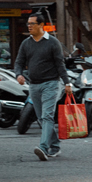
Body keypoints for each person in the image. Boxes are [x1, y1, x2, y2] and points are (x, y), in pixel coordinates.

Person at [15, 13, 73, 161]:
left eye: (32, 23)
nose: (29, 26)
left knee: (47, 116)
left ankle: (43, 147)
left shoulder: (53, 42)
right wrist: (18, 74)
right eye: (28, 23)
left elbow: (60, 65)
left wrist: (67, 83)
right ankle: (55, 146)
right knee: (41, 118)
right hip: (34, 85)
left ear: (41, 25)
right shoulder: (26, 43)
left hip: (51, 84)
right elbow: (19, 62)